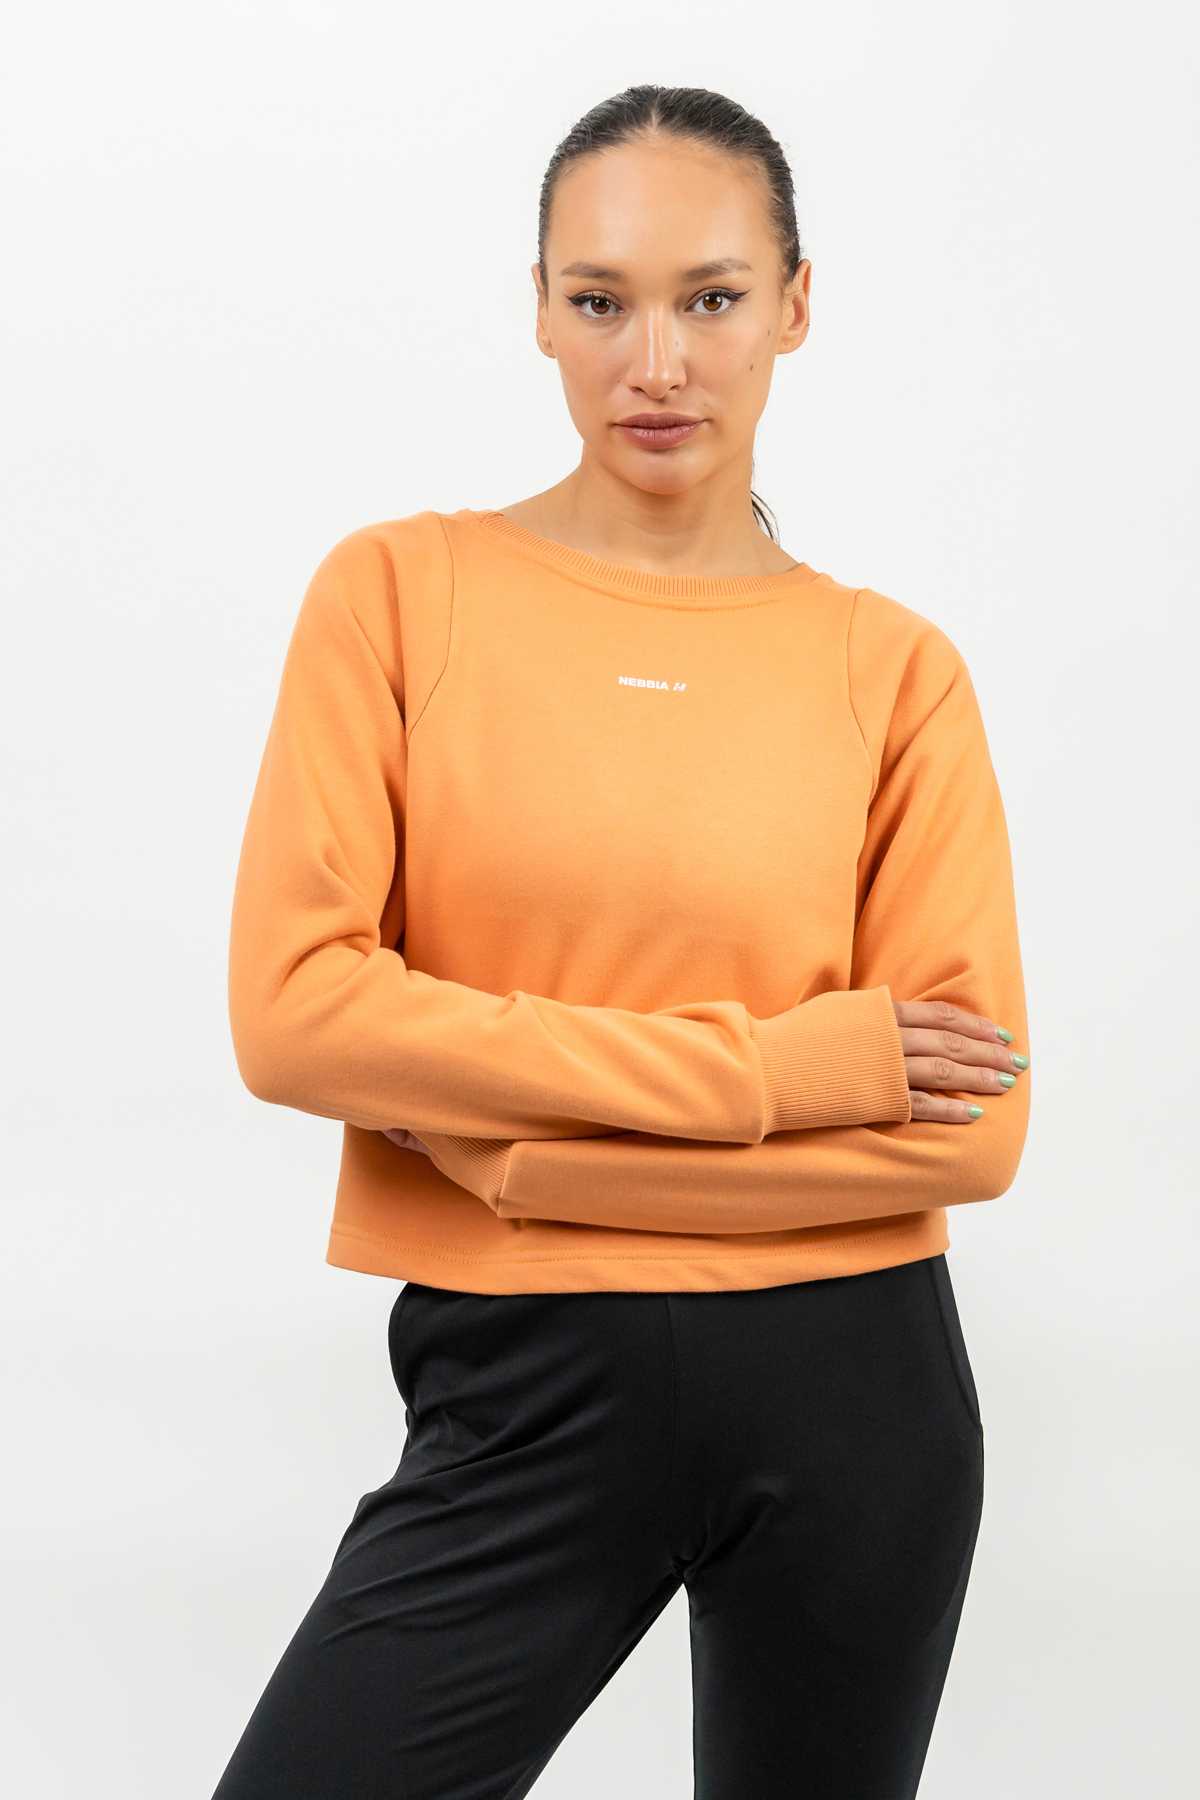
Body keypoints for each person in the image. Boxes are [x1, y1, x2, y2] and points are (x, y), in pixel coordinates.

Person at [213, 82, 1031, 1800]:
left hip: (859, 1389)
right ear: (539, 308)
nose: (656, 363)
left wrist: (529, 1164)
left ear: (795, 306)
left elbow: (971, 1129)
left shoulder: (894, 670)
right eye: (601, 300)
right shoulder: (402, 594)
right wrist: (789, 1072)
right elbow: (297, 1015)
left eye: (711, 298)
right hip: (525, 1389)